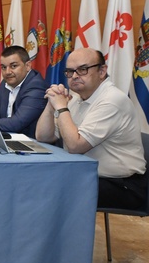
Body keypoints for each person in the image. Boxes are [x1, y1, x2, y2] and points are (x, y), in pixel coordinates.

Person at [36, 48, 146, 209]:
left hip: (123, 185)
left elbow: (75, 146)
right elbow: (43, 137)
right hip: (87, 175)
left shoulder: (111, 100)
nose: (74, 76)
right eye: (70, 71)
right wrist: (51, 104)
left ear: (102, 71)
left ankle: (59, 235)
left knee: (49, 190)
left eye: (82, 69)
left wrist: (60, 107)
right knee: (34, 179)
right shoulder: (77, 99)